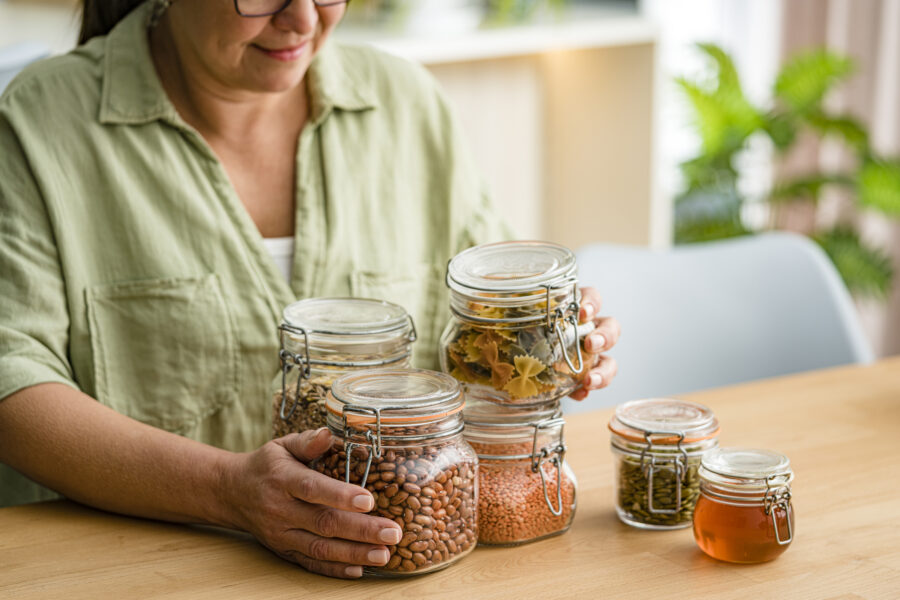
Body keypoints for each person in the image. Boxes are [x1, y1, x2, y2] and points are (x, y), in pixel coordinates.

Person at [0, 0, 621, 579]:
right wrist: (227, 490)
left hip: (397, 566)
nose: (301, 20)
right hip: (137, 571)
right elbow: (13, 380)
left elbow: (489, 315)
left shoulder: (405, 104)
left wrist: (548, 337)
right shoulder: (40, 121)